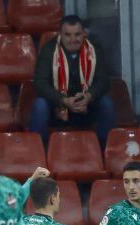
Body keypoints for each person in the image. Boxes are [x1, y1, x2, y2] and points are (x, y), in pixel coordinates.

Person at [30, 14, 114, 147]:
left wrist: (88, 96)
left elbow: (104, 81)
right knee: (40, 105)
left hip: (86, 106)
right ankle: (40, 150)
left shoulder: (94, 49)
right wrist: (64, 100)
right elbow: (40, 83)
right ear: (60, 35)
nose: (73, 39)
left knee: (106, 103)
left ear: (84, 34)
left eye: (77, 34)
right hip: (58, 107)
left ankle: (105, 150)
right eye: (68, 35)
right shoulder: (49, 50)